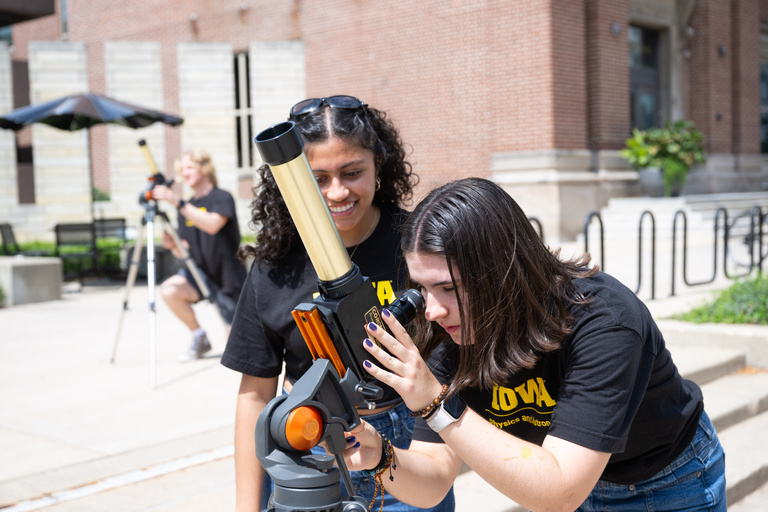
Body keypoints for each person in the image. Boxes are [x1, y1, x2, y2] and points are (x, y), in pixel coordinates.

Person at [343, 177, 727, 511]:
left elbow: (560, 493)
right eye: (422, 288)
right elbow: (434, 480)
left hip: (664, 481)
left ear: (502, 270)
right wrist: (380, 455)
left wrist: (436, 403)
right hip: (551, 474)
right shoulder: (448, 332)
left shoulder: (605, 322)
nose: (432, 311)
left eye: (448, 288)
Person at [221, 95, 455, 512]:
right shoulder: (276, 266)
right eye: (318, 178)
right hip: (306, 445)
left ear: (378, 164)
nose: (337, 192)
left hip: (409, 444)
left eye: (352, 172)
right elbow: (255, 395)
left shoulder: (420, 246)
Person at [151, 149, 246, 361]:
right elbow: (184, 249)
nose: (185, 173)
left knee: (236, 349)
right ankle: (199, 336)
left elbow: (212, 225)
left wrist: (179, 203)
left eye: (189, 167)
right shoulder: (187, 206)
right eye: (182, 169)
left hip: (227, 275)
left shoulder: (222, 197)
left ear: (204, 168)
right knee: (169, 290)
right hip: (200, 275)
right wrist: (173, 245)